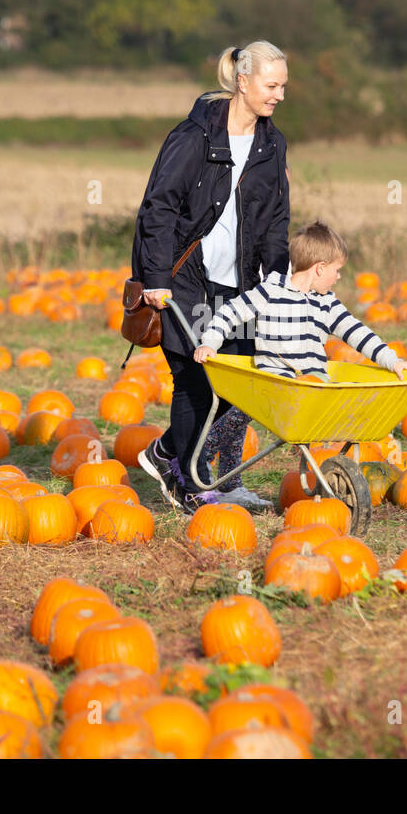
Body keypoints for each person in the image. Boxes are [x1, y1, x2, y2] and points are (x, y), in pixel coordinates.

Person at [131, 40, 290, 515]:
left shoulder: (270, 143)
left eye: (283, 86)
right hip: (183, 278)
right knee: (195, 383)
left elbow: (276, 216)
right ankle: (190, 485)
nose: (279, 95)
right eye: (271, 85)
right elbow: (157, 208)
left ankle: (166, 454)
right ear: (243, 81)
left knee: (235, 385)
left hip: (238, 282)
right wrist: (155, 276)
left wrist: (277, 274)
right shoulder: (194, 136)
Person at [193, 220, 407, 384]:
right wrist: (209, 343)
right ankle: (213, 443)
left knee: (335, 395)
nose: (338, 277)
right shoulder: (271, 291)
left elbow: (358, 333)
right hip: (275, 382)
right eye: (336, 271)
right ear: (320, 268)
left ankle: (309, 445)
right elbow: (230, 312)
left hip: (313, 384)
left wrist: (392, 361)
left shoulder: (327, 303)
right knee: (241, 410)